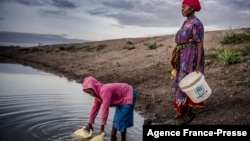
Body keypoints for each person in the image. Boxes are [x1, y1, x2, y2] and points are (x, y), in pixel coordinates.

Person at [170, 0, 205, 124]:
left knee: (190, 83)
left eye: (184, 7)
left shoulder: (197, 23)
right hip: (183, 56)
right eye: (182, 7)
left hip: (192, 56)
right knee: (181, 81)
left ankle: (190, 112)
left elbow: (199, 43)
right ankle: (182, 109)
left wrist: (198, 64)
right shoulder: (185, 22)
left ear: (192, 8)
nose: (182, 9)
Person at [82, 76, 137, 141]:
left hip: (128, 94)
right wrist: (90, 123)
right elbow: (95, 108)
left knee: (121, 120)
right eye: (88, 93)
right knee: (115, 120)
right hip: (120, 98)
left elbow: (105, 109)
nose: (90, 95)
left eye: (90, 92)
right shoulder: (97, 95)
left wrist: (102, 128)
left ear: (93, 88)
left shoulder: (104, 91)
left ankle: (123, 139)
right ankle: (113, 137)